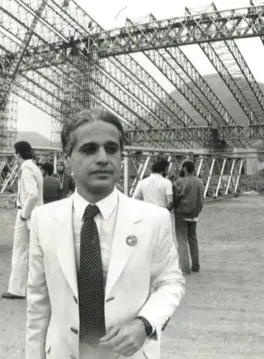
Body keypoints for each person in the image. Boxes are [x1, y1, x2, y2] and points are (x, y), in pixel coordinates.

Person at [26, 109, 185, 359]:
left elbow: (171, 282)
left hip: (128, 353)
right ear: (67, 159)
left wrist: (144, 324)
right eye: (89, 150)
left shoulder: (154, 220)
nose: (103, 158)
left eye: (112, 149)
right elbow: (38, 303)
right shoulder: (44, 220)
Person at [2, 141, 43, 300]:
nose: (14, 157)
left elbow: (32, 195)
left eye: (14, 153)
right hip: (36, 214)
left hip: (27, 216)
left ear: (19, 153)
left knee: (20, 251)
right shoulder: (34, 168)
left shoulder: (26, 170)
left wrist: (24, 214)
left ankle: (17, 289)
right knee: (35, 253)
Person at [173, 160, 205, 274]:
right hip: (194, 214)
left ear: (185, 168)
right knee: (193, 239)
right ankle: (196, 266)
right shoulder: (200, 182)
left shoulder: (179, 181)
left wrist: (174, 208)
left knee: (182, 240)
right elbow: (201, 199)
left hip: (181, 214)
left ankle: (185, 268)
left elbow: (175, 197)